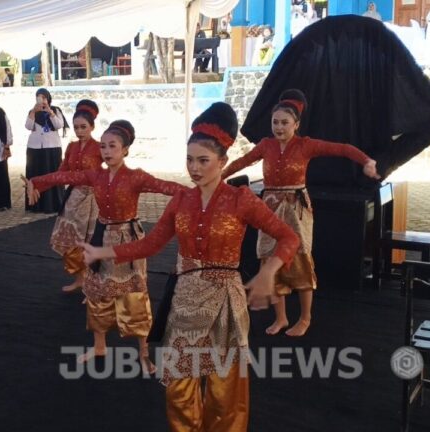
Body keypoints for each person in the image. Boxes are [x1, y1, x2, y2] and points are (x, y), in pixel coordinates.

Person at [80, 103, 300, 432]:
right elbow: (151, 244)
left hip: (226, 302)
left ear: (222, 161)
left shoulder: (240, 199)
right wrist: (104, 250)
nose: (194, 168)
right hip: (185, 301)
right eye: (189, 160)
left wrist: (269, 271)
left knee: (225, 390)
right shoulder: (181, 201)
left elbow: (288, 237)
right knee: (179, 386)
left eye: (203, 160)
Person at [26, 119, 186, 374]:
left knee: (134, 294)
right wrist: (36, 181)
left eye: (113, 146)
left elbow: (168, 187)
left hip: (128, 241)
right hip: (101, 237)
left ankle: (143, 353)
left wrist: (202, 193)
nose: (107, 151)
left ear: (125, 150)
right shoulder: (96, 175)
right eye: (103, 146)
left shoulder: (136, 177)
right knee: (97, 292)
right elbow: (65, 176)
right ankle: (99, 346)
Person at [222, 89, 379, 337]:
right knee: (269, 260)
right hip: (270, 209)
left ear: (296, 124)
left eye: (284, 122)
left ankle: (305, 318)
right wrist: (218, 176)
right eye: (275, 122)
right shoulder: (266, 145)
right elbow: (242, 161)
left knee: (301, 260)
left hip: (297, 210)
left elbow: (343, 149)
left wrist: (366, 161)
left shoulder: (306, 145)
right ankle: (281, 317)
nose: (279, 127)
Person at [47, 99, 103, 294]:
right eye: (76, 127)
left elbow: (113, 168)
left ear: (92, 127)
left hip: (93, 200)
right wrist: (40, 183)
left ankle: (93, 283)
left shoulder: (100, 147)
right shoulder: (71, 147)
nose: (79, 131)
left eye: (83, 127)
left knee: (91, 242)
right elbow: (62, 172)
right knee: (71, 242)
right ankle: (80, 279)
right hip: (73, 199)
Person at [25, 88, 68, 213]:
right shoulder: (32, 111)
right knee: (37, 174)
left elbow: (59, 125)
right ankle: (36, 204)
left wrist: (50, 112)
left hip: (52, 147)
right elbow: (28, 126)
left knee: (53, 174)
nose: (42, 100)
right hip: (35, 148)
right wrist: (34, 112)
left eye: (44, 97)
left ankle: (54, 203)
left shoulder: (55, 110)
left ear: (48, 98)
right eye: (39, 97)